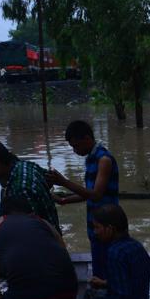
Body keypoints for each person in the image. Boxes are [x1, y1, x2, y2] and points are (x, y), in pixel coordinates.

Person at [46, 120, 119, 279]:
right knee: (100, 265)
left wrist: (63, 182)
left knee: (107, 268)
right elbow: (88, 193)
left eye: (76, 146)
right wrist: (63, 200)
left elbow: (97, 194)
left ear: (87, 139)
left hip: (108, 226)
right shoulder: (91, 159)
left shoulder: (104, 160)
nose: (75, 151)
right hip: (95, 224)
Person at [77, 204, 150, 299]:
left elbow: (121, 297)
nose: (95, 232)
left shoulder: (115, 253)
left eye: (97, 227)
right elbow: (131, 282)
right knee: (92, 290)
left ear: (110, 229)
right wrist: (105, 283)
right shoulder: (136, 245)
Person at [0, 139, 60, 232]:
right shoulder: (26, 165)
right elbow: (48, 181)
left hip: (42, 239)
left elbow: (26, 229)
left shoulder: (20, 189)